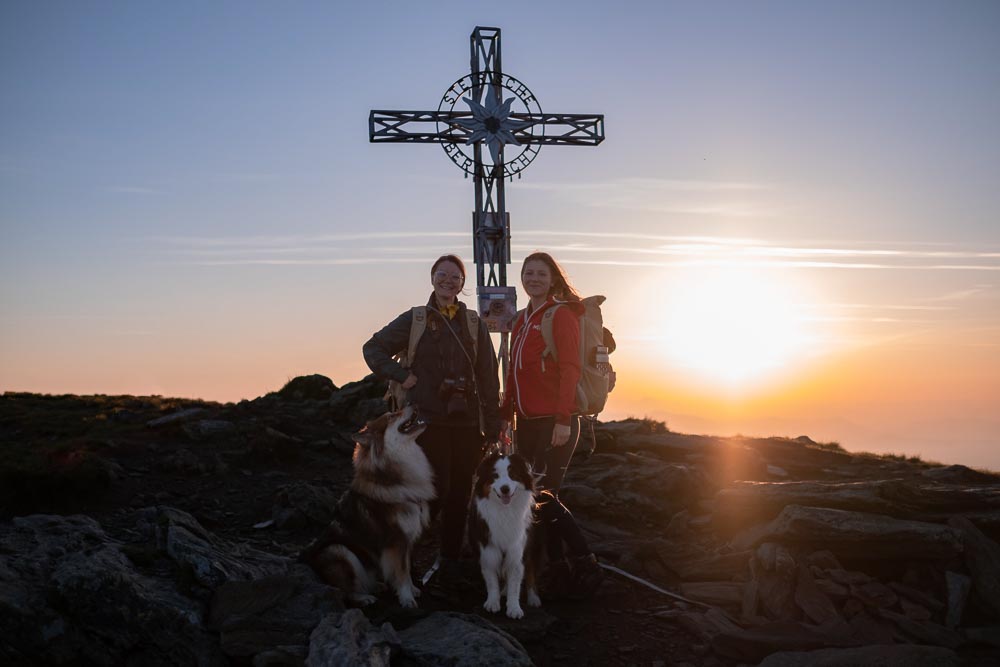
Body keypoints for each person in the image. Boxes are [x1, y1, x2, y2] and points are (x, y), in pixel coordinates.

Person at [363, 255, 501, 582]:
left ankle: (448, 560)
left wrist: (493, 423)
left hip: (467, 422)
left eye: (455, 277)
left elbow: (488, 376)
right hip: (427, 420)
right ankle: (402, 554)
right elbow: (373, 348)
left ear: (462, 284)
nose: (448, 281)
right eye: (442, 275)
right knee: (436, 490)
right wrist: (401, 375)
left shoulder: (473, 323)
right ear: (432, 278)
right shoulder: (417, 319)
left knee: (460, 493)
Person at [500, 251, 605, 598]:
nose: (533, 278)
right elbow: (514, 373)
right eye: (528, 273)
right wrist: (506, 416)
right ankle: (558, 571)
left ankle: (586, 564)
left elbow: (570, 368)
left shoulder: (561, 315)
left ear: (553, 279)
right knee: (537, 499)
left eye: (540, 274)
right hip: (527, 424)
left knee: (543, 495)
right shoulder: (521, 320)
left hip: (557, 422)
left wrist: (563, 419)